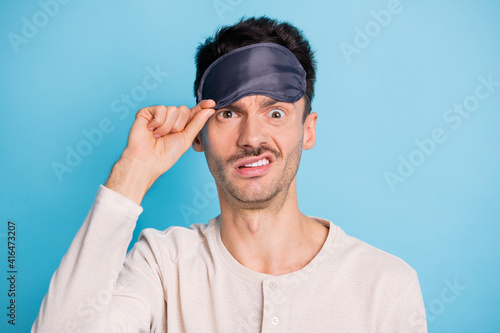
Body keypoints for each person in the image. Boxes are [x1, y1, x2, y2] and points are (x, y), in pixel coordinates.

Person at [32, 16, 427, 332]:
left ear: (308, 130)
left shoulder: (385, 284)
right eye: (228, 113)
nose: (252, 137)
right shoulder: (162, 266)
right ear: (198, 135)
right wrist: (132, 173)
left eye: (276, 113)